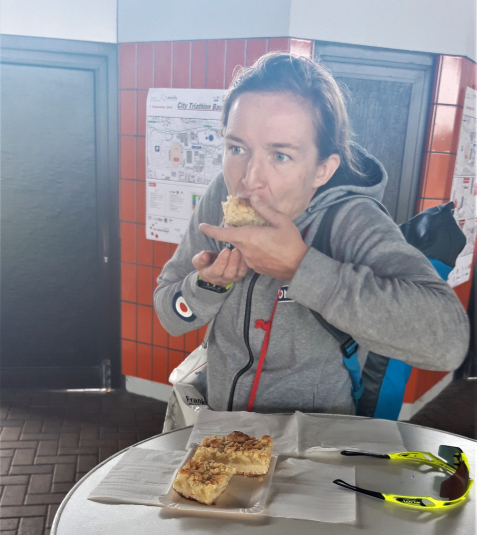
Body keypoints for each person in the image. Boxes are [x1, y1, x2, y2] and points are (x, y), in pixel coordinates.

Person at [154, 52, 469, 415]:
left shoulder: (350, 219)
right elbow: (169, 315)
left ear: (323, 169)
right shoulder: (219, 197)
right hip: (223, 433)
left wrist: (300, 266)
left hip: (314, 441)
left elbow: (448, 342)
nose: (249, 179)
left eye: (280, 156)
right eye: (237, 148)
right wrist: (208, 285)